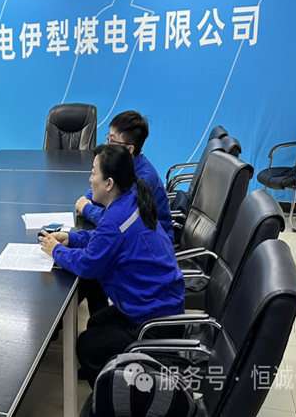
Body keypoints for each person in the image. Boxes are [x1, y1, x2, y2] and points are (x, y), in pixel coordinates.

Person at [40, 144, 184, 388]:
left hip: (155, 321)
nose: (90, 179)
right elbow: (106, 241)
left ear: (109, 183)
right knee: (96, 323)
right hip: (157, 302)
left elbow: (88, 264)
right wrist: (72, 239)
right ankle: (110, 375)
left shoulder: (116, 217)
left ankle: (115, 396)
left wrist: (56, 250)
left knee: (86, 346)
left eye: (93, 172)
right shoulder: (128, 200)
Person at [76, 111, 175, 244]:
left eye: (112, 140)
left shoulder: (145, 178)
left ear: (129, 149)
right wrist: (88, 199)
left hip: (151, 244)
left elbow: (121, 220)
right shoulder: (120, 165)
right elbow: (104, 192)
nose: (107, 144)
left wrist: (87, 209)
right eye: (108, 138)